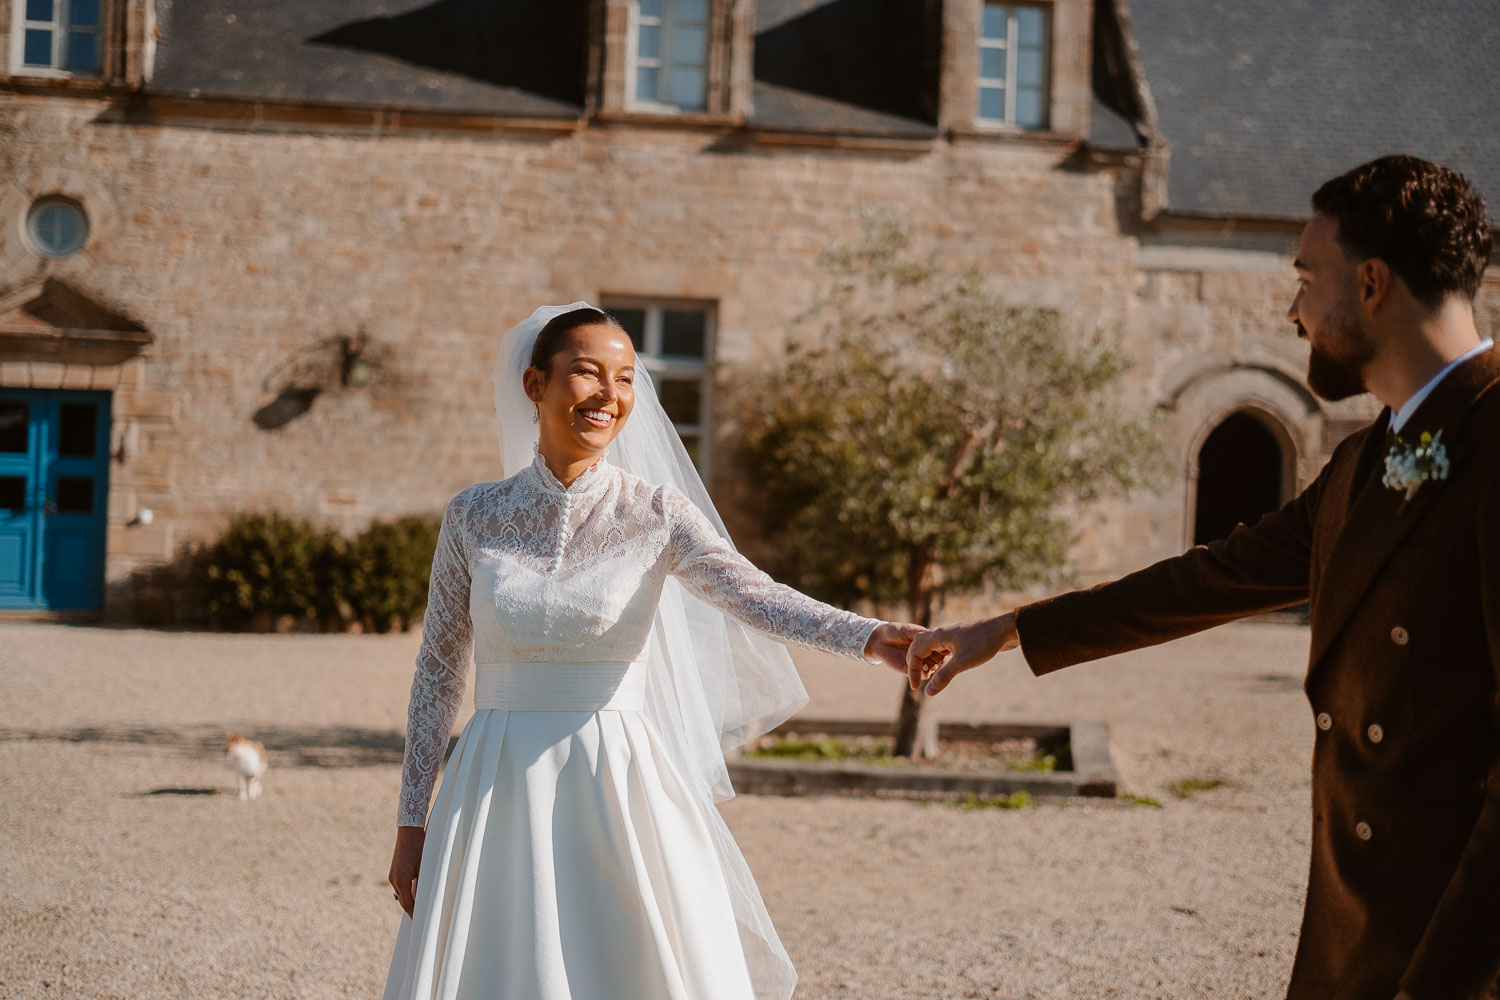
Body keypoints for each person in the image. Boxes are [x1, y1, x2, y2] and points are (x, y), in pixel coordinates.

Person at [909, 155, 1500, 1000]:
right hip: (1358, 942)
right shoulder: (1366, 460)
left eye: (1306, 279)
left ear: (1371, 284)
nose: (1292, 310)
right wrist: (1006, 630)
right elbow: (1210, 580)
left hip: (1451, 958)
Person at [383, 303, 921, 1000]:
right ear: (534, 386)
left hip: (617, 778)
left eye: (627, 378)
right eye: (587, 373)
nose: (610, 395)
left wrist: (870, 636)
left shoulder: (656, 512)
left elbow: (756, 595)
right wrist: (410, 822)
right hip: (493, 783)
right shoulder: (472, 515)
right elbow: (436, 674)